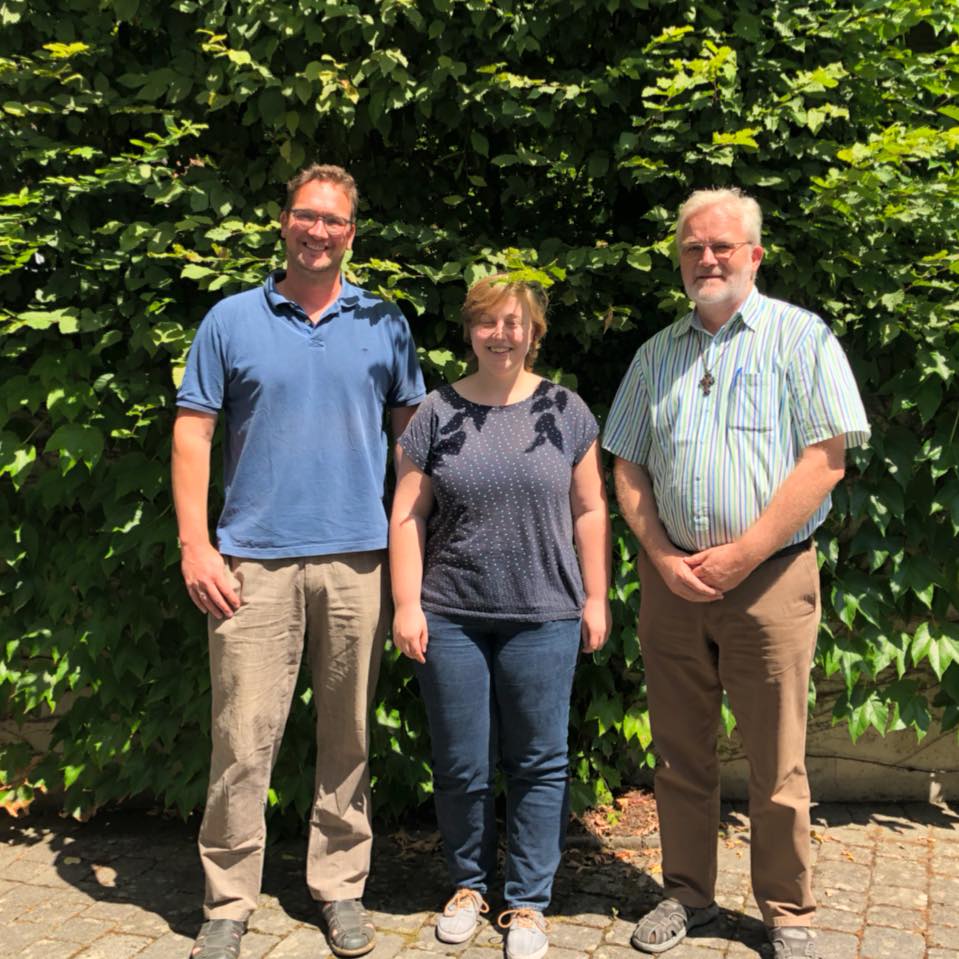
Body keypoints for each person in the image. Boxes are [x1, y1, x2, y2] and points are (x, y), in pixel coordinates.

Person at [603, 188, 869, 958]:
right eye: (692, 247)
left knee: (776, 759)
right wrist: (661, 557)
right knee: (678, 753)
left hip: (769, 581)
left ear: (753, 254)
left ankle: (786, 910)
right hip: (673, 585)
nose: (706, 259)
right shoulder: (655, 354)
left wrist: (742, 553)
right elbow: (626, 464)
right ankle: (687, 893)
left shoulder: (799, 338)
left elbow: (824, 460)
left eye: (721, 246)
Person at [172, 163, 425, 959]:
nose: (318, 230)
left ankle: (340, 886)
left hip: (358, 558)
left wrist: (411, 542)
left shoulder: (384, 321)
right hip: (252, 563)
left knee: (348, 736)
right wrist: (195, 543)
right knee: (242, 739)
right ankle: (227, 900)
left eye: (334, 220)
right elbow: (192, 433)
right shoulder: (230, 319)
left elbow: (410, 439)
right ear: (284, 221)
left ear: (352, 233)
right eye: (306, 215)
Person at [389, 276, 612, 959]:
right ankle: (467, 886)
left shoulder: (565, 410)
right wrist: (406, 603)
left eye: (514, 322)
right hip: (451, 613)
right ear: (469, 331)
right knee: (461, 763)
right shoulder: (436, 412)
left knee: (539, 762)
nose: (500, 334)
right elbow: (407, 513)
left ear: (533, 332)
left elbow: (589, 508)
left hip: (544, 611)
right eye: (487, 322)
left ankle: (527, 901)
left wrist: (596, 597)